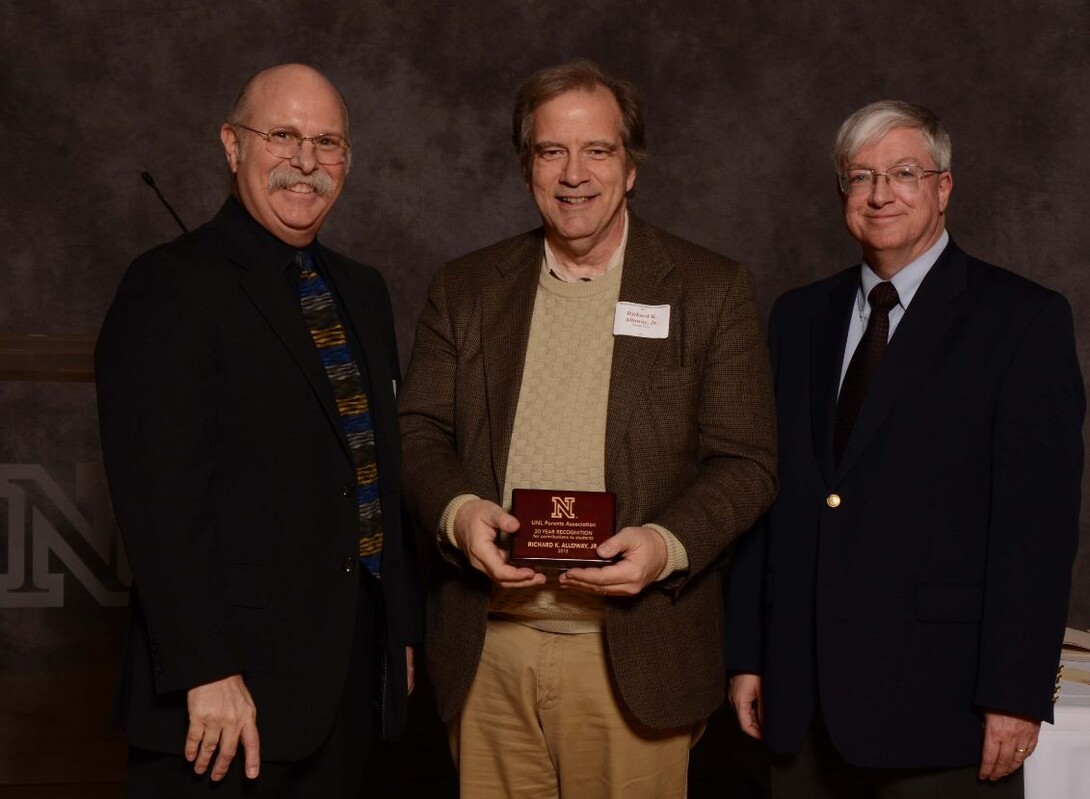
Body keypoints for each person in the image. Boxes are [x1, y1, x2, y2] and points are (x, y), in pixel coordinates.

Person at [398, 58, 777, 798]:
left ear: (630, 167)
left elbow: (747, 461)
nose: (575, 174)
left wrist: (666, 546)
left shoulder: (709, 289)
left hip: (634, 654)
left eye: (597, 150)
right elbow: (416, 432)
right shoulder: (465, 288)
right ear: (526, 166)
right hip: (489, 656)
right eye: (551, 151)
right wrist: (458, 512)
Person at [724, 100, 1084, 797]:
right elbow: (767, 497)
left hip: (942, 706)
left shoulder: (1022, 319)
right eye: (861, 176)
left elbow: (1035, 528)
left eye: (904, 172)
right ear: (843, 195)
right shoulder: (798, 317)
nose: (881, 192)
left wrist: (1015, 691)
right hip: (802, 699)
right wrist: (750, 654)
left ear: (943, 187)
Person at [96, 63, 421, 796]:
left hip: (345, 685)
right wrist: (204, 667)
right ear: (231, 144)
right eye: (282, 135)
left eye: (327, 142)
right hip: (221, 701)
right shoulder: (171, 285)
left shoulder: (362, 290)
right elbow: (157, 499)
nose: (306, 161)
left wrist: (393, 628)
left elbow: (374, 471)